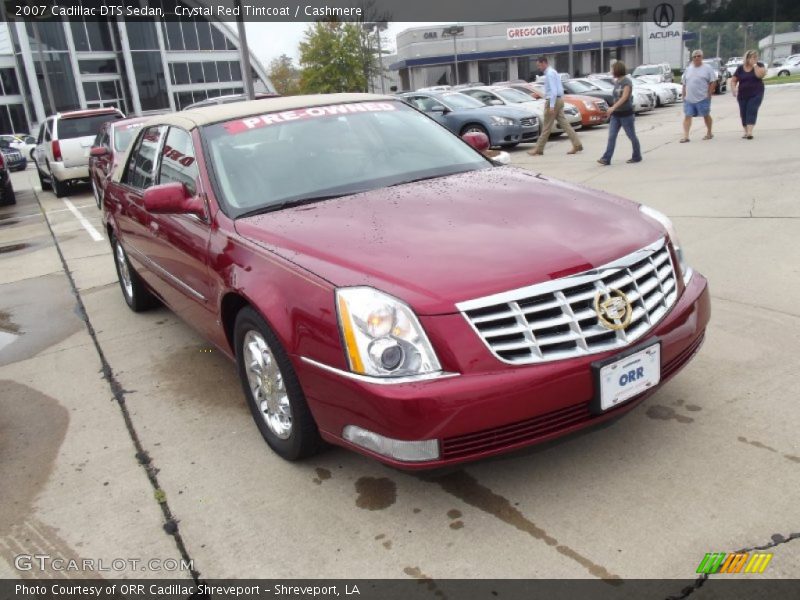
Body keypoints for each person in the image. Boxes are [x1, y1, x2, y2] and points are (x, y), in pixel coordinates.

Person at [527, 56, 582, 156]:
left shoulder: (549, 74)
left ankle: (538, 149)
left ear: (544, 63)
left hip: (553, 101)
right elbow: (556, 89)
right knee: (565, 124)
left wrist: (551, 105)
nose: (539, 68)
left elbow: (553, 90)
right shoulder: (553, 72)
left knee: (546, 127)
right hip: (559, 99)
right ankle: (577, 144)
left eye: (539, 65)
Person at [597, 61, 641, 165]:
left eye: (612, 69)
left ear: (617, 70)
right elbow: (616, 97)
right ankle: (606, 158)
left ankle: (637, 156)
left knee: (631, 135)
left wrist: (613, 107)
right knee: (611, 136)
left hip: (626, 114)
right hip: (616, 115)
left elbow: (624, 97)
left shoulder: (627, 82)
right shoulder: (617, 82)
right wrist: (611, 109)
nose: (611, 71)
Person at [680, 50, 717, 143]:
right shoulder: (688, 69)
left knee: (706, 115)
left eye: (699, 56)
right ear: (692, 58)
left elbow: (713, 82)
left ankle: (709, 132)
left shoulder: (707, 68)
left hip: (703, 98)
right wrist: (684, 95)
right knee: (687, 116)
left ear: (702, 57)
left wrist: (709, 94)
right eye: (694, 56)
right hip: (689, 98)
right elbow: (684, 83)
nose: (697, 58)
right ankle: (686, 136)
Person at [730, 50, 767, 139]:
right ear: (746, 58)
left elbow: (760, 75)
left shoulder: (759, 65)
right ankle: (746, 131)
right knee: (743, 113)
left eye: (755, 57)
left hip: (756, 93)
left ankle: (750, 132)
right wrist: (733, 89)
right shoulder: (740, 68)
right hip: (743, 94)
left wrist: (754, 65)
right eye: (752, 57)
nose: (754, 59)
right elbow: (734, 80)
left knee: (751, 110)